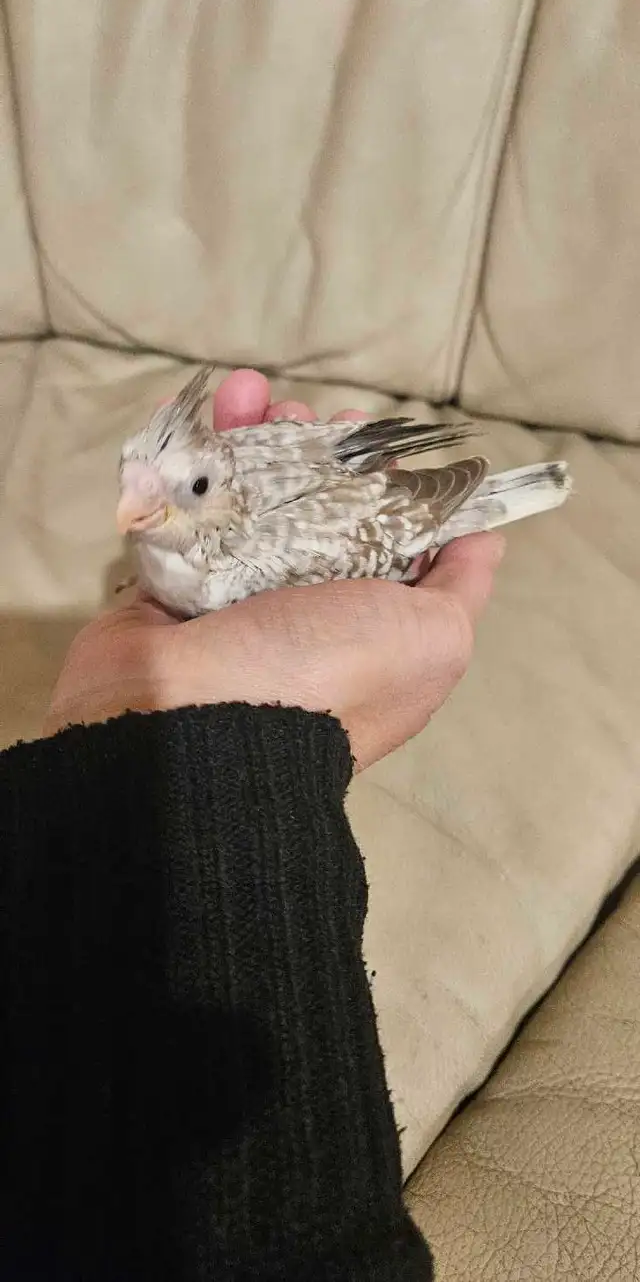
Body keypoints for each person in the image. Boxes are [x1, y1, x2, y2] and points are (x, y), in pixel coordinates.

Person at [0, 369, 503, 1280]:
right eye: (132, 487)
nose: (135, 510)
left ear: (218, 485)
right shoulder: (178, 542)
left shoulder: (244, 561)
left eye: (187, 486)